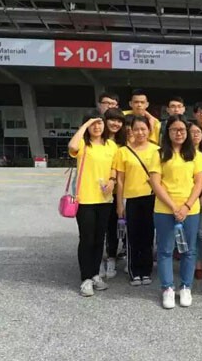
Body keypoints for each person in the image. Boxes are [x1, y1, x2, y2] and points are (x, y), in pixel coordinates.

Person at [149, 115, 202, 309]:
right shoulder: (158, 154)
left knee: (189, 250)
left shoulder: (196, 155)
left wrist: (186, 206)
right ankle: (167, 288)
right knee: (165, 250)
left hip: (190, 210)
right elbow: (156, 183)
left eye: (182, 130)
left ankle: (186, 287)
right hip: (164, 209)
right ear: (168, 132)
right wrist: (174, 207)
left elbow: (199, 183)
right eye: (174, 129)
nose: (179, 133)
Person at [68, 110, 118, 297]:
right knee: (87, 239)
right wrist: (85, 125)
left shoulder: (111, 145)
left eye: (99, 123)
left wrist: (112, 180)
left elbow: (114, 167)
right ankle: (86, 278)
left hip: (105, 199)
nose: (97, 127)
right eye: (92, 123)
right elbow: (72, 145)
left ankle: (95, 274)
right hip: (85, 199)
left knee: (99, 239)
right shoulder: (83, 144)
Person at [115, 115, 159, 286]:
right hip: (131, 198)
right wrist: (120, 203)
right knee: (132, 236)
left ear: (149, 130)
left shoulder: (157, 150)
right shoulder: (123, 152)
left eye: (143, 129)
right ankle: (134, 271)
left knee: (148, 235)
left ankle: (146, 271)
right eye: (136, 129)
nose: (140, 132)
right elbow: (120, 180)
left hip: (151, 197)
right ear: (131, 131)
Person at [100, 108, 126, 278]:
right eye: (112, 120)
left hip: (118, 191)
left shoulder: (123, 143)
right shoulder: (97, 140)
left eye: (119, 121)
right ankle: (100, 259)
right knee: (101, 227)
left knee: (115, 226)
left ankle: (112, 257)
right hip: (98, 191)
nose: (115, 124)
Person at [189, 122, 202, 280]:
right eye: (192, 132)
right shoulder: (183, 153)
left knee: (201, 233)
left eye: (199, 132)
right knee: (189, 232)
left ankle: (198, 263)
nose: (196, 134)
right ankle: (188, 260)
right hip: (186, 197)